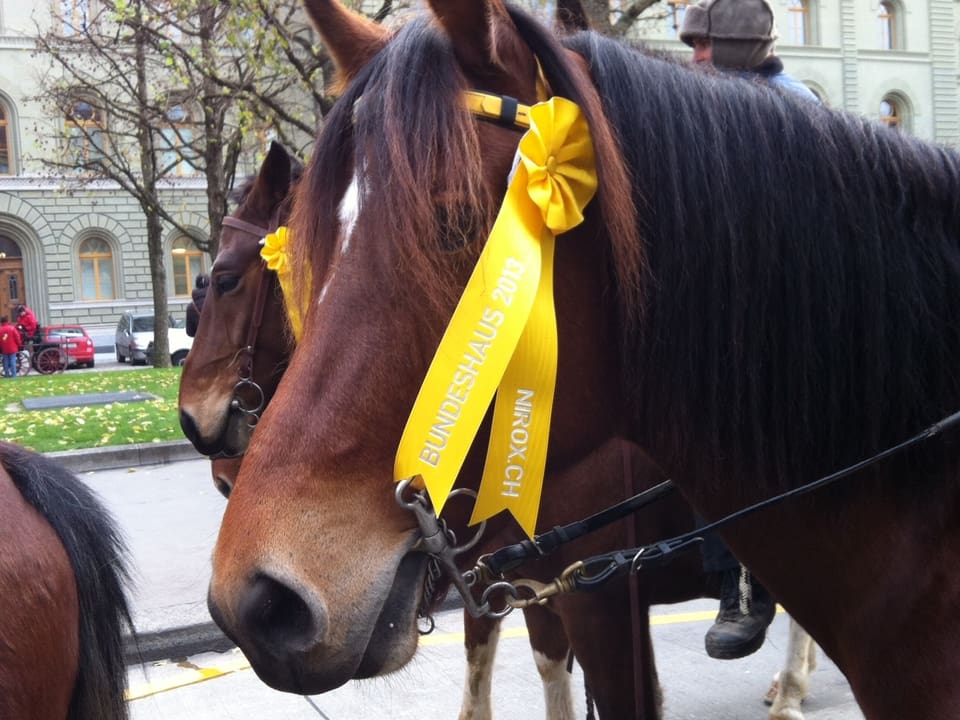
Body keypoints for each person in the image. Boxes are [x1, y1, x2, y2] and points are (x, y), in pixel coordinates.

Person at [678, 0, 819, 661]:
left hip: (783, 314)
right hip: (724, 302)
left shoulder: (785, 109)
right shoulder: (714, 106)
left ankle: (745, 586)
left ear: (732, 48)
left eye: (703, 45)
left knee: (724, 422)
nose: (695, 56)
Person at [679, 0, 820, 103]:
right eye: (695, 46)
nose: (695, 58)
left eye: (704, 44)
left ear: (738, 45)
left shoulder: (796, 101)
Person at [185, 273, 210, 338]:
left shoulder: (191, 307)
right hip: (220, 343)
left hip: (202, 343)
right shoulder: (218, 302)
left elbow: (190, 332)